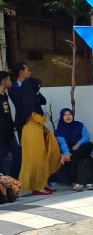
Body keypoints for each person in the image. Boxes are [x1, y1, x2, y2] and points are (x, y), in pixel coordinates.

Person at [8, 61, 61, 195]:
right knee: (32, 155)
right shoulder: (13, 88)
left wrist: (34, 93)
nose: (30, 72)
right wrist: (30, 92)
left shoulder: (31, 86)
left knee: (44, 151)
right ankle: (34, 184)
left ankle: (43, 181)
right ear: (21, 72)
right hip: (26, 123)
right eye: (27, 70)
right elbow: (21, 103)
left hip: (37, 122)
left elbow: (42, 100)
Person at [54, 108, 93, 190]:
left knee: (89, 144)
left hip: (80, 147)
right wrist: (66, 152)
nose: (68, 116)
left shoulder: (79, 125)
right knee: (75, 158)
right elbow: (62, 142)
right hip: (69, 149)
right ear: (62, 117)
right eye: (65, 115)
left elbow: (86, 136)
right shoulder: (59, 130)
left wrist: (78, 144)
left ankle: (74, 182)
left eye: (70, 114)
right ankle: (77, 182)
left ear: (72, 115)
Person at [0, 70, 21, 179]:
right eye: (9, 79)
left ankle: (13, 182)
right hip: (1, 135)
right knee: (2, 161)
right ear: (3, 81)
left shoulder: (5, 95)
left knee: (17, 156)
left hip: (10, 133)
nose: (11, 81)